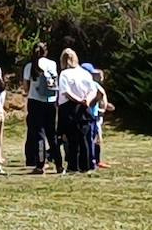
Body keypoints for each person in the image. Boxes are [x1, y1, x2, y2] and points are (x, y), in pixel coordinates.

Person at [56, 48, 98, 174]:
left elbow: (66, 92)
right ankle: (86, 165)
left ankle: (73, 165)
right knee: (84, 138)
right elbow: (93, 90)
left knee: (71, 139)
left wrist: (79, 100)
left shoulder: (64, 74)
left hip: (69, 108)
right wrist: (87, 100)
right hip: (85, 107)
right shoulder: (85, 73)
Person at [23, 43, 62, 172]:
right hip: (51, 101)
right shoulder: (52, 64)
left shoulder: (30, 66)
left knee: (39, 133)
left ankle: (40, 164)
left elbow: (26, 87)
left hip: (35, 101)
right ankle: (59, 164)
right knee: (52, 134)